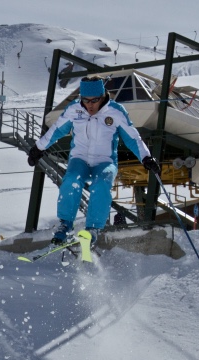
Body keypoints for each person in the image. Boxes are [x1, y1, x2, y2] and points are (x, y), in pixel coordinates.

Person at [27, 77, 159, 246]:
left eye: (94, 100)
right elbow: (56, 130)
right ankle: (65, 225)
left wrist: (146, 157)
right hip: (79, 158)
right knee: (71, 180)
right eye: (86, 100)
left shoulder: (116, 111)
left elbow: (133, 138)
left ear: (102, 96)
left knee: (101, 184)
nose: (90, 105)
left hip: (105, 161)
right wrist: (39, 148)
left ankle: (93, 229)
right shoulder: (74, 109)